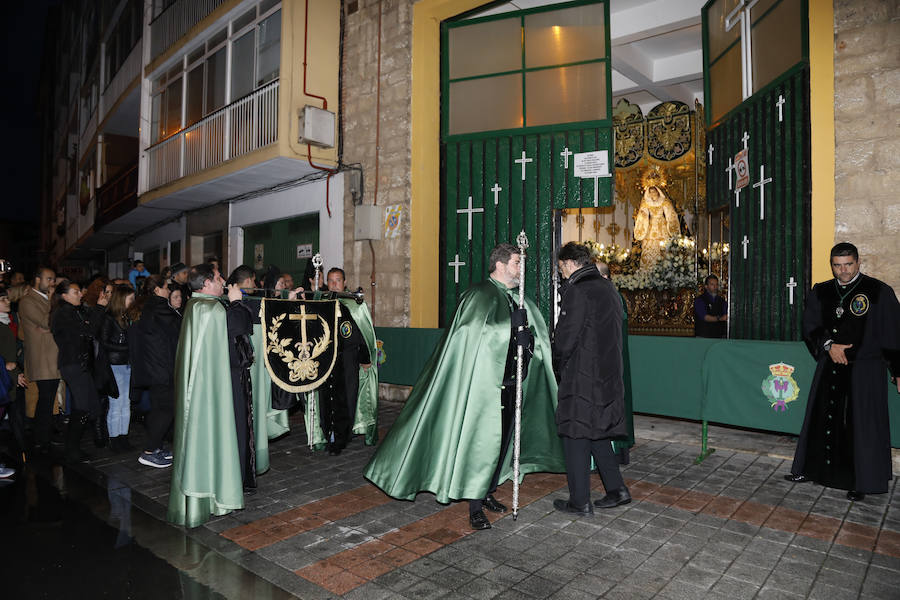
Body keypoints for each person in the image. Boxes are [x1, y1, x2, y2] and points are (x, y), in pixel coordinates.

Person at [364, 243, 564, 530]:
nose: (522, 269)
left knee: (504, 442)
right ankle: (474, 505)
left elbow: (533, 341)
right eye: (518, 263)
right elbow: (471, 337)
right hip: (482, 388)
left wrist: (526, 338)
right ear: (501, 265)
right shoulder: (478, 295)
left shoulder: (518, 299)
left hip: (511, 383)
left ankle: (487, 492)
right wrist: (508, 333)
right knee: (480, 443)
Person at [785, 243, 900, 501]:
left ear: (858, 263)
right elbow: (810, 324)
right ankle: (811, 470)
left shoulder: (879, 291)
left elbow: (893, 334)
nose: (843, 271)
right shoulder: (822, 291)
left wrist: (898, 369)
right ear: (832, 265)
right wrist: (828, 346)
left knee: (861, 428)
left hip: (865, 372)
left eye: (848, 264)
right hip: (830, 367)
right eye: (838, 265)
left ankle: (861, 481)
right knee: (821, 419)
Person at [553, 242, 630, 515]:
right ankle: (617, 489)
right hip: (607, 374)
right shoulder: (608, 287)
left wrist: (557, 363)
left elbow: (565, 339)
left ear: (571, 263)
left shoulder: (578, 290)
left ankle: (580, 500)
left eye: (561, 268)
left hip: (583, 375)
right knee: (596, 431)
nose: (561, 274)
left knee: (574, 432)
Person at [167, 264, 246, 527]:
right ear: (206, 285)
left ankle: (204, 497)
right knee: (212, 435)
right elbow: (237, 331)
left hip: (200, 389)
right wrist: (236, 304)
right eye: (219, 278)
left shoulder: (195, 305)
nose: (224, 281)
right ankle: (214, 494)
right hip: (208, 393)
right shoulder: (211, 309)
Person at [314, 267, 376, 455]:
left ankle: (341, 436)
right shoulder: (321, 302)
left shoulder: (355, 304)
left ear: (345, 283)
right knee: (326, 398)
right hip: (325, 359)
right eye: (331, 281)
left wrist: (365, 358)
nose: (334, 284)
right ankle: (328, 433)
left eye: (338, 280)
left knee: (346, 398)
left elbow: (365, 335)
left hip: (347, 360)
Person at [130, 275, 181, 468]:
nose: (169, 291)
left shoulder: (147, 307)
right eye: (166, 288)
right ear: (158, 290)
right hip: (161, 369)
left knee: (159, 408)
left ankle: (156, 447)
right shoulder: (159, 307)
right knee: (166, 410)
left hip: (153, 368)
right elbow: (180, 328)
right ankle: (149, 451)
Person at [50, 280, 103, 462]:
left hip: (77, 364)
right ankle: (72, 450)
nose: (80, 294)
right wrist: (100, 308)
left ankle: (73, 447)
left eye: (79, 291)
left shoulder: (71, 312)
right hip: (73, 364)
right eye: (75, 292)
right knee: (82, 407)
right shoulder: (64, 313)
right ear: (64, 295)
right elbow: (88, 332)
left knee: (88, 406)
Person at [18, 267, 59, 455]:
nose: (52, 283)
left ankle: (45, 438)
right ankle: (40, 440)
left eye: (53, 280)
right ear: (37, 279)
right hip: (42, 358)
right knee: (44, 400)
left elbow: (55, 324)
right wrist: (51, 302)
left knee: (49, 400)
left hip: (53, 358)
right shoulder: (27, 301)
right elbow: (47, 321)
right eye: (49, 279)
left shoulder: (45, 300)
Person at [100, 285, 135, 452]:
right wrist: (128, 348)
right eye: (130, 299)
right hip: (114, 364)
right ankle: (114, 439)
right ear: (122, 299)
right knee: (116, 403)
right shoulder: (109, 318)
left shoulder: (127, 317)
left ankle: (123, 437)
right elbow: (104, 343)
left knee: (126, 403)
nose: (133, 302)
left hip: (127, 364)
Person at [1, 287, 27, 466]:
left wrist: (15, 370)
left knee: (16, 414)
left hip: (9, 378)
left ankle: (23, 452)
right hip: (3, 378)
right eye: (2, 299)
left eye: (7, 298)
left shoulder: (9, 320)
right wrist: (5, 365)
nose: (7, 301)